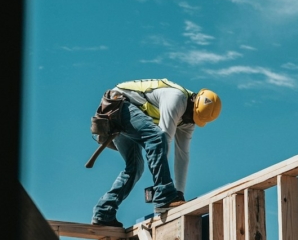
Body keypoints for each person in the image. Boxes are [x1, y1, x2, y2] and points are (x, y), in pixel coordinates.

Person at [91, 78, 221, 226]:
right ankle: (164, 195)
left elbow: (182, 156)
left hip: (124, 113)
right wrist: (165, 193)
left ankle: (104, 212)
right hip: (117, 105)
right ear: (193, 101)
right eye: (190, 116)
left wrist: (179, 194)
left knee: (135, 168)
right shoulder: (176, 98)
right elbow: (163, 140)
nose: (188, 121)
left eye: (193, 119)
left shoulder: (188, 120)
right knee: (157, 137)